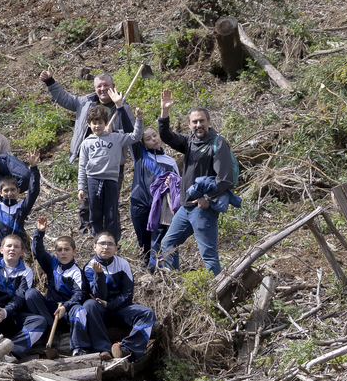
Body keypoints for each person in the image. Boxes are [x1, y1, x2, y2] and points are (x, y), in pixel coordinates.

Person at [40, 69, 135, 234]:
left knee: (110, 206)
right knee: (86, 202)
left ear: (113, 86)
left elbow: (132, 133)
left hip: (113, 166)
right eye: (99, 86)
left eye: (106, 85)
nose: (102, 89)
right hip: (89, 164)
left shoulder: (123, 107)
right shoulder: (85, 102)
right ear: (95, 88)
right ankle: (88, 236)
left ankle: (111, 240)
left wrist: (115, 132)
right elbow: (64, 98)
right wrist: (50, 82)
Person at [156, 91, 237, 275]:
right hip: (185, 208)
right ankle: (173, 284)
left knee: (208, 254)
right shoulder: (189, 142)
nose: (198, 125)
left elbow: (225, 178)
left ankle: (217, 294)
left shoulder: (217, 144)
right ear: (189, 124)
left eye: (201, 121)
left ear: (208, 122)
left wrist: (207, 199)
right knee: (168, 245)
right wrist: (164, 111)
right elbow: (166, 135)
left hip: (203, 209)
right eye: (195, 122)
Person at [79, 232, 157, 361]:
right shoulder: (89, 267)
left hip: (120, 308)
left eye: (110, 244)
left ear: (116, 248)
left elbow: (128, 294)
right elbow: (98, 296)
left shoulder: (123, 264)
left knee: (147, 313)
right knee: (89, 305)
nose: (106, 247)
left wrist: (110, 304)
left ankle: (127, 349)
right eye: (102, 243)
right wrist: (99, 275)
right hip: (100, 311)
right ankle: (103, 349)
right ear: (95, 247)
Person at [0, 230, 52, 357]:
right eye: (9, 246)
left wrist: (6, 312)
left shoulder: (26, 271)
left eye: (17, 247)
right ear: (1, 250)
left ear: (21, 252)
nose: (12, 249)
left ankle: (11, 351)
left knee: (40, 321)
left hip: (13, 314)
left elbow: (20, 296)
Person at [78, 93, 142, 240]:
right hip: (93, 180)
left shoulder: (116, 137)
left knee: (111, 213)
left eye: (100, 123)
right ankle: (98, 241)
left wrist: (139, 120)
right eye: (94, 123)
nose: (97, 126)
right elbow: (82, 166)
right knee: (95, 213)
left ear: (106, 123)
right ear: (89, 124)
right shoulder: (86, 143)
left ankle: (113, 242)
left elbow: (135, 136)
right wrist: (81, 187)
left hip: (111, 180)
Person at [31, 216, 88, 349]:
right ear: (55, 252)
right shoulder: (52, 263)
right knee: (31, 294)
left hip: (66, 311)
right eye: (59, 250)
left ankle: (79, 348)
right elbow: (38, 251)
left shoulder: (76, 272)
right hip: (50, 310)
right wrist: (39, 233)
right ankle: (51, 330)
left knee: (79, 309)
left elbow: (79, 295)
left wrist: (65, 307)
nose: (63, 253)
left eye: (67, 249)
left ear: (74, 252)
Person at [129, 126, 179, 269]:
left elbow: (178, 185)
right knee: (144, 243)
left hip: (160, 207)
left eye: (155, 135)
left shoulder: (171, 161)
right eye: (148, 139)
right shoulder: (140, 155)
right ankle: (146, 271)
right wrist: (120, 108)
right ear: (143, 144)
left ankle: (160, 269)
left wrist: (172, 181)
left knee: (159, 241)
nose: (153, 140)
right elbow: (129, 130)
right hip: (140, 206)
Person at [0, 155, 41, 244]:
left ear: (18, 191)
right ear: (0, 193)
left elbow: (34, 191)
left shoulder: (21, 208)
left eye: (13, 190)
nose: (10, 193)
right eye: (6, 190)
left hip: (14, 253)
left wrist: (33, 168)